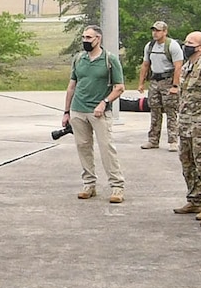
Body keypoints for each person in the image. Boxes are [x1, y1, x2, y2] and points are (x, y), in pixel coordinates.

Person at [62, 25, 126, 204]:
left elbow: (119, 87)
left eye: (89, 38)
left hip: (99, 112)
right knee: (83, 147)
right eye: (83, 37)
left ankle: (117, 186)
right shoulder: (79, 59)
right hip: (78, 110)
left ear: (98, 39)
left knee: (106, 148)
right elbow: (72, 85)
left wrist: (104, 102)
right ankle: (89, 184)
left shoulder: (109, 60)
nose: (85, 41)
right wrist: (66, 111)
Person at [170, 31, 201, 217]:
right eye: (186, 42)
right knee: (187, 164)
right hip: (185, 124)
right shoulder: (187, 66)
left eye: (191, 43)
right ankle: (194, 200)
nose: (186, 46)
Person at [138, 21, 184, 150]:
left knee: (171, 110)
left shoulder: (172, 46)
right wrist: (141, 83)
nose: (155, 33)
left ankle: (173, 141)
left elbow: (178, 66)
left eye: (158, 30)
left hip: (168, 80)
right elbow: (145, 64)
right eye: (153, 30)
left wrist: (175, 85)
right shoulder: (150, 46)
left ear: (165, 32)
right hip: (154, 80)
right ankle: (153, 140)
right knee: (154, 110)